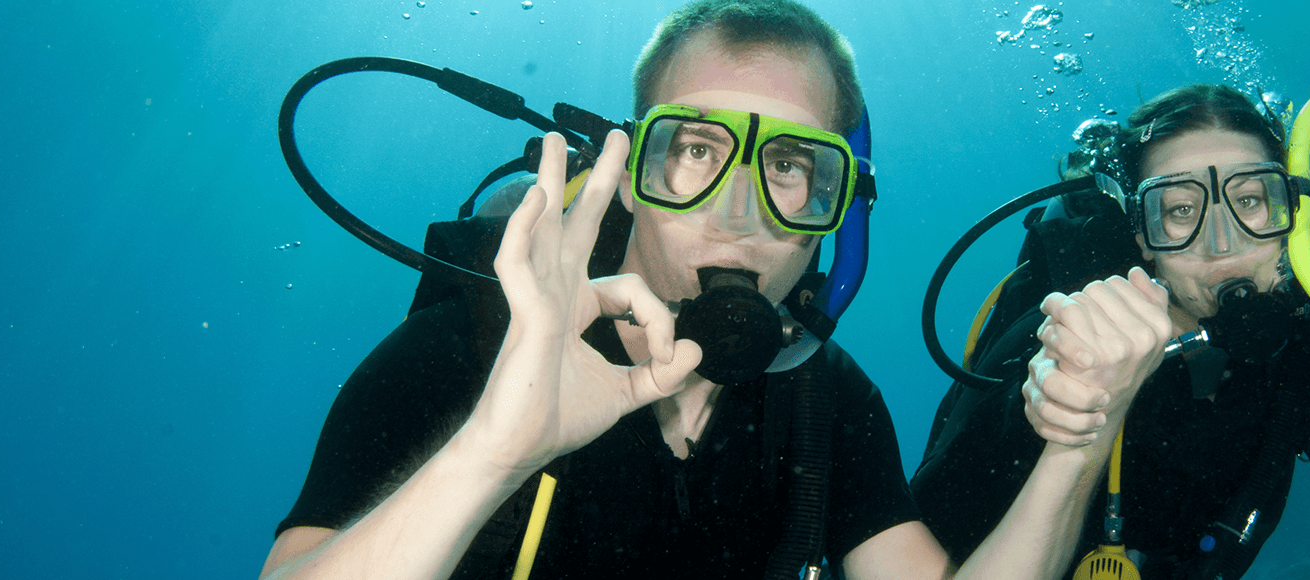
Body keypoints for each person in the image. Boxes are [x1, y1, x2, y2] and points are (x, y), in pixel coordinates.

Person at [260, 2, 1131, 578]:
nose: (740, 212)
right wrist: (494, 450)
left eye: (792, 166)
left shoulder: (828, 400)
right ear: (630, 171)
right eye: (696, 151)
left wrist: (1081, 444)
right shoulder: (476, 339)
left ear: (837, 210)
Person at [911, 83, 1310, 580]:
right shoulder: (1063, 337)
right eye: (1179, 210)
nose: (1221, 243)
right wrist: (1039, 411)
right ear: (1141, 235)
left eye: (1250, 200)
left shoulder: (1305, 332)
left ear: (1291, 213)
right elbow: (926, 533)